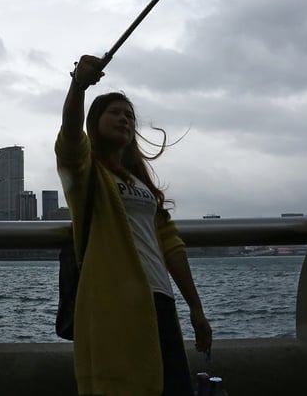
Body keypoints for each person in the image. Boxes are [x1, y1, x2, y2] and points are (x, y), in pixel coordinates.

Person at [58, 55, 212, 396]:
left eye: (129, 116)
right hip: (115, 300)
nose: (125, 119)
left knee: (173, 386)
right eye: (115, 112)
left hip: (160, 298)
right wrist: (78, 85)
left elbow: (170, 245)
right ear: (94, 122)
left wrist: (196, 308)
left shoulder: (142, 184)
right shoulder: (88, 176)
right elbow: (69, 142)